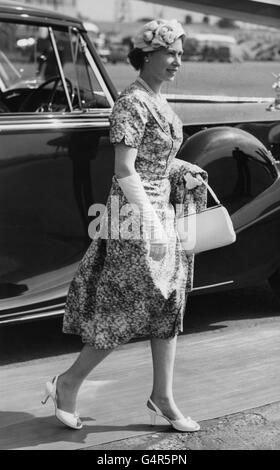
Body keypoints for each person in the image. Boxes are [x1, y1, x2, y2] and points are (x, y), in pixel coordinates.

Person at [41, 19, 207, 432]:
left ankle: (162, 396)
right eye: (170, 53)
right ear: (146, 55)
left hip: (160, 215)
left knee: (168, 304)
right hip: (134, 219)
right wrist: (151, 223)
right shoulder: (132, 103)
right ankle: (68, 382)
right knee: (126, 310)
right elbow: (125, 170)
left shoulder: (159, 102)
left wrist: (186, 168)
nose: (176, 62)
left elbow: (158, 163)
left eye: (180, 55)